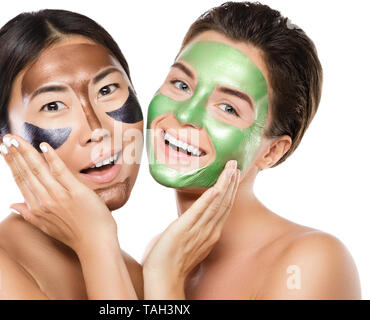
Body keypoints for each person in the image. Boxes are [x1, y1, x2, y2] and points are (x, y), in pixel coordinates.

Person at [144, 2, 361, 299]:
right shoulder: (161, 251)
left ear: (272, 151)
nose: (185, 115)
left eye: (228, 108)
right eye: (181, 85)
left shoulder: (311, 262)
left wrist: (165, 279)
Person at [0, 9, 146, 299]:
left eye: (107, 89)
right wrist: (95, 243)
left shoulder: (136, 274)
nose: (97, 129)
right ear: (5, 140)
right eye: (53, 106)